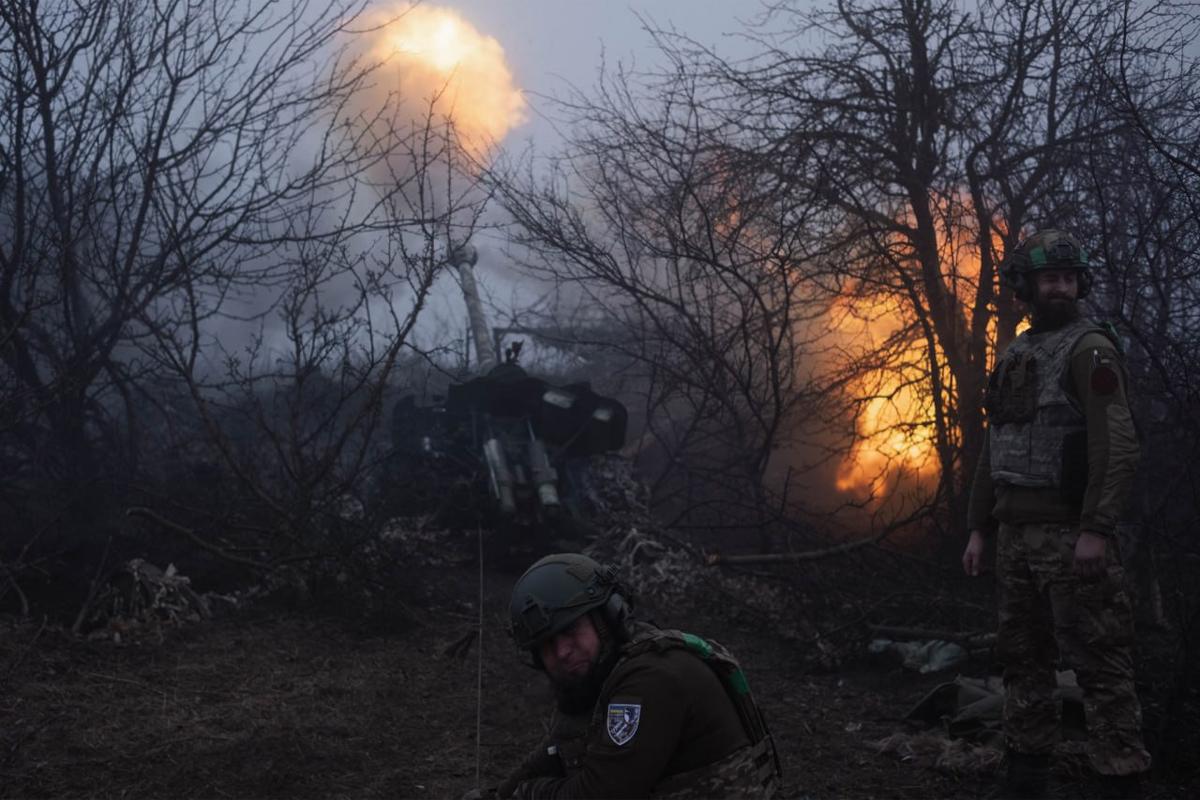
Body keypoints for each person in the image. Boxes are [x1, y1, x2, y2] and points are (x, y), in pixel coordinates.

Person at [962, 229, 1151, 798]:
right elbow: (996, 446)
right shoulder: (1017, 353)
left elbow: (1115, 444)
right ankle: (1026, 778)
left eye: (1069, 278)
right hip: (1017, 537)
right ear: (1027, 286)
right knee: (1023, 661)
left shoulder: (1090, 348)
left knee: (1100, 665)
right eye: (1050, 279)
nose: (1061, 288)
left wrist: (1095, 529)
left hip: (1072, 538)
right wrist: (979, 527)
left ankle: (1120, 780)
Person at [497, 552, 779, 799]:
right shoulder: (604, 671)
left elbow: (601, 795)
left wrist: (528, 793)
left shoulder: (651, 679)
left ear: (607, 617)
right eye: (547, 644)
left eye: (570, 630)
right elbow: (555, 750)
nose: (561, 652)